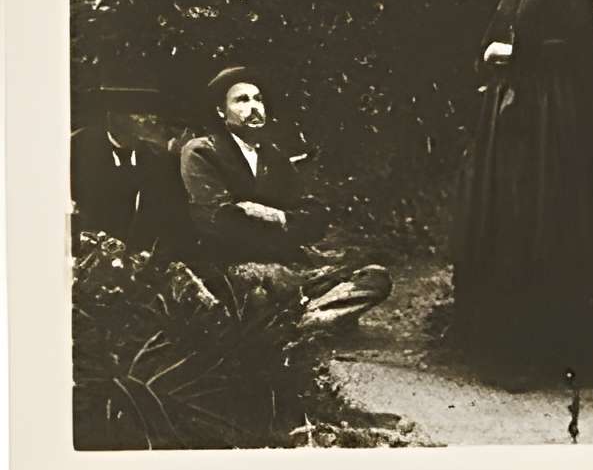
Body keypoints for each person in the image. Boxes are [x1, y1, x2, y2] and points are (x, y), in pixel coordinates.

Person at [450, 0, 593, 388]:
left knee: (548, 228)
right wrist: (493, 59)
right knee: (506, 229)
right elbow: (489, 43)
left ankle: (556, 356)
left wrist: (516, 56)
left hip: (556, 131)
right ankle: (505, 354)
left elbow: (566, 54)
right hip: (508, 130)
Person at [179, 66, 391, 330]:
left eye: (258, 99)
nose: (254, 107)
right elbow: (218, 220)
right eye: (242, 100)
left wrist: (274, 215)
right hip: (234, 264)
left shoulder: (273, 156)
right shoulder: (201, 151)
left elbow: (316, 217)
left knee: (375, 277)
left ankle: (300, 316)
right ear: (221, 111)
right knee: (261, 286)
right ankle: (300, 316)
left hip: (288, 262)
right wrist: (284, 226)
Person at [70, 75, 197, 258]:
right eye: (139, 110)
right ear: (113, 115)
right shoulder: (75, 150)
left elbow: (172, 226)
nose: (151, 118)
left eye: (151, 110)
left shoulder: (161, 161)